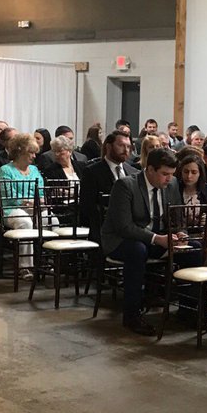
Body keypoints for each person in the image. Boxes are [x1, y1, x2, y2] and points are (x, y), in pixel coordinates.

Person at [102, 146, 184, 335]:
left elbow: (178, 218)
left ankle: (189, 309)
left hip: (155, 239)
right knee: (137, 250)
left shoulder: (171, 184)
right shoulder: (125, 185)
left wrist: (180, 234)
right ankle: (132, 316)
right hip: (121, 241)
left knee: (193, 249)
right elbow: (124, 227)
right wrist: (157, 239)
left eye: (172, 174)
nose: (169, 178)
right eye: (165, 174)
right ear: (150, 169)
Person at [0, 131, 46, 276]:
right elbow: (8, 195)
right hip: (7, 208)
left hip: (30, 207)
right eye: (31, 153)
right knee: (25, 222)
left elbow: (40, 191)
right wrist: (27, 201)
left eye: (35, 153)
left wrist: (40, 200)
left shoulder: (34, 170)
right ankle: (25, 267)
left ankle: (44, 262)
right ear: (20, 151)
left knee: (50, 219)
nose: (34, 156)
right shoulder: (6, 170)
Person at [79, 130, 138, 236]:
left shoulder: (133, 172)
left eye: (128, 147)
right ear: (109, 147)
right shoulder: (92, 172)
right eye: (121, 145)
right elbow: (87, 206)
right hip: (104, 229)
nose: (126, 150)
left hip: (131, 227)